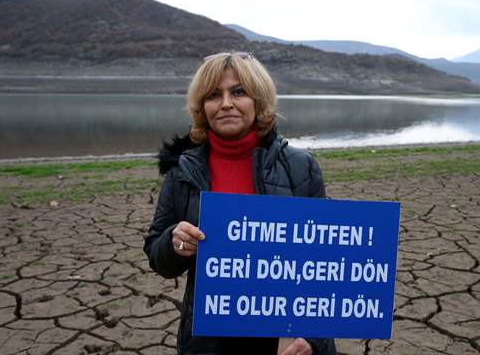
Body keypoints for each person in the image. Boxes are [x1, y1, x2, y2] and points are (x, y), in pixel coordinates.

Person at [143, 52, 337, 355]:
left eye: (238, 92)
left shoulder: (301, 167)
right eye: (213, 95)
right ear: (201, 106)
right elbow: (157, 255)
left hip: (283, 339)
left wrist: (313, 339)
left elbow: (327, 262)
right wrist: (174, 242)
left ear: (258, 100)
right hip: (210, 340)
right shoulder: (183, 171)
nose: (226, 104)